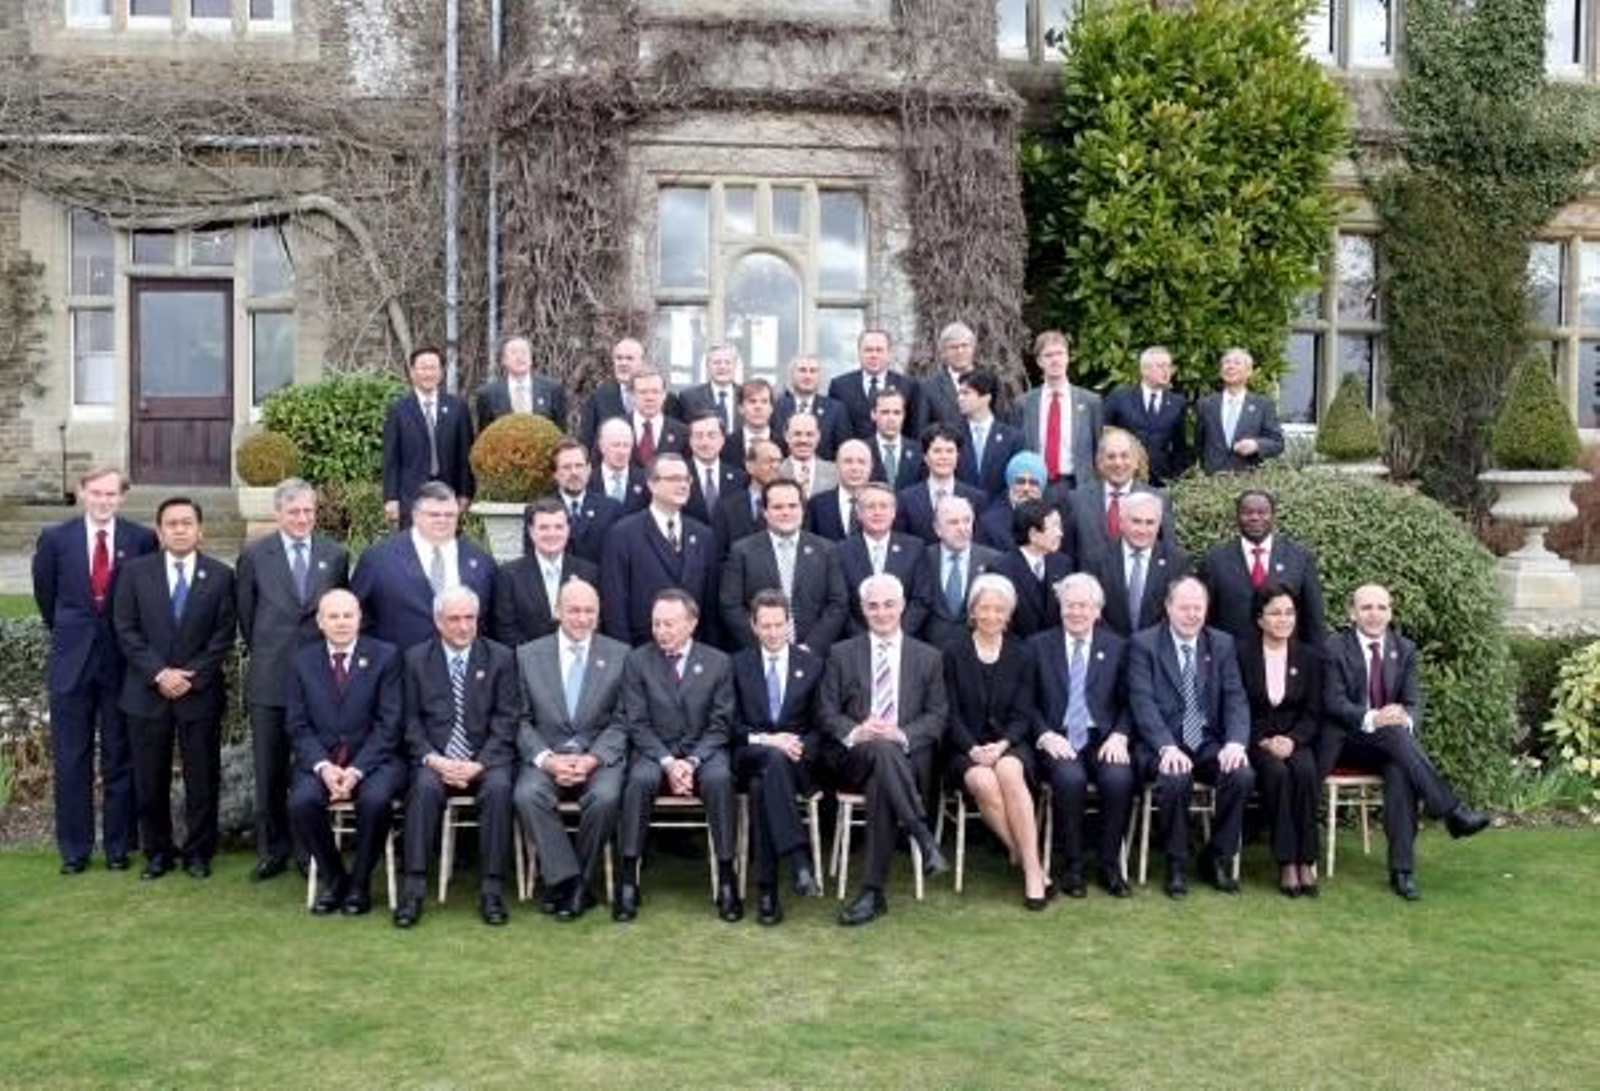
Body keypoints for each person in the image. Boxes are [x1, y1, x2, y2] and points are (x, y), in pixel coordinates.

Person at [1322, 584, 1490, 901]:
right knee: (1395, 736)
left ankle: (1402, 870)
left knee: (1400, 769)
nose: (1374, 614)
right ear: (1352, 613)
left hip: (1392, 743)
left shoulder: (1405, 648)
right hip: (1347, 740)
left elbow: (1413, 702)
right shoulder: (1333, 648)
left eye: (1381, 607)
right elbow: (1333, 703)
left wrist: (1404, 717)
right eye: (1366, 607)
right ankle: (1451, 811)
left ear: (1391, 612)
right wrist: (1374, 717)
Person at [33, 466, 158, 874]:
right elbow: (46, 597)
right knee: (72, 759)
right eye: (96, 493)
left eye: (111, 494)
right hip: (72, 663)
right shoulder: (55, 539)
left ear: (122, 497)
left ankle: (118, 848)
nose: (104, 500)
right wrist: (72, 635)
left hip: (121, 664)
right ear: (81, 493)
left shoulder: (140, 539)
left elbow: (142, 600)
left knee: (119, 757)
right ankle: (75, 850)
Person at [112, 496, 237, 880]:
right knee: (150, 779)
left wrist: (189, 676)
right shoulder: (135, 573)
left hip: (198, 694)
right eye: (172, 523)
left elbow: (223, 636)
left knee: (203, 778)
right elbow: (126, 628)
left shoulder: (219, 575)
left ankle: (198, 852)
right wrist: (160, 674)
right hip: (146, 693)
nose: (180, 529)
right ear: (159, 530)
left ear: (201, 530)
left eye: (187, 523)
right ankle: (157, 853)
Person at [235, 478, 350, 882]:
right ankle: (273, 850)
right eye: (294, 512)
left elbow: (339, 612)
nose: (303, 519)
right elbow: (247, 617)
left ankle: (309, 850)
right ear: (278, 513)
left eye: (309, 511)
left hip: (319, 681)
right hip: (270, 677)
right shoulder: (254, 555)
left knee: (311, 768)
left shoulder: (335, 555)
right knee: (269, 771)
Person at [819, 573, 950, 926]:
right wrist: (857, 730)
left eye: (889, 604)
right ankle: (922, 836)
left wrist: (902, 734)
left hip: (905, 759)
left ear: (902, 605)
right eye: (873, 606)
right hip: (854, 757)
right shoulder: (841, 653)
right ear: (862, 609)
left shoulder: (929, 657)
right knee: (877, 748)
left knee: (883, 771)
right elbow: (826, 712)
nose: (881, 612)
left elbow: (937, 717)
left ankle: (872, 893)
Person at [393, 587, 522, 929]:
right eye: (454, 619)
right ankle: (414, 890)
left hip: (485, 760)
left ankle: (491, 890)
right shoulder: (415, 659)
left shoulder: (500, 658)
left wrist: (480, 762)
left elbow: (507, 719)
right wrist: (434, 759)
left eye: (470, 618)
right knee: (422, 790)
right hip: (435, 760)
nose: (463, 626)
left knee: (498, 790)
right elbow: (408, 720)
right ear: (438, 621)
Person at [614, 590, 742, 923]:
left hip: (705, 752)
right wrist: (669, 762)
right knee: (638, 781)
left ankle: (727, 879)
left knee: (720, 780)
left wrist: (692, 761)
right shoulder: (637, 660)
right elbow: (636, 723)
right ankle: (628, 879)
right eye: (656, 624)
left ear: (691, 624)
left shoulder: (718, 662)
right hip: (655, 750)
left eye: (669, 624)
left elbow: (721, 724)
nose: (661, 631)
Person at [1127, 577, 1255, 898]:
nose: (1192, 615)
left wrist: (1236, 743)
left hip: (1206, 742)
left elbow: (1235, 696)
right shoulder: (1144, 644)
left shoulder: (1221, 643)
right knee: (1175, 777)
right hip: (1161, 744)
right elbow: (1141, 702)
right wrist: (1166, 747)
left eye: (1198, 608)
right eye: (1184, 607)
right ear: (1169, 607)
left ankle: (1215, 857)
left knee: (1240, 774)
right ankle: (1176, 862)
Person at [512, 578, 629, 921]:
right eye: (574, 610)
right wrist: (547, 760)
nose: (581, 618)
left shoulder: (621, 655)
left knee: (606, 798)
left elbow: (625, 719)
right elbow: (517, 719)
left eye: (589, 611)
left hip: (598, 757)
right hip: (546, 756)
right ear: (557, 611)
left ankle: (575, 885)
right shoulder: (527, 655)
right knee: (527, 795)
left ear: (599, 613)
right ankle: (569, 880)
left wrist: (593, 758)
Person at [285, 589, 406, 916]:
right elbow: (297, 724)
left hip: (375, 761)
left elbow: (389, 724)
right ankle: (335, 877)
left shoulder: (386, 656)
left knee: (376, 800)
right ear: (320, 622)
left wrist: (355, 771)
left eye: (348, 615)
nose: (341, 623)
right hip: (321, 761)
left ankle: (360, 883)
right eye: (334, 616)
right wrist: (324, 767)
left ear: (360, 619)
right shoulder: (302, 660)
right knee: (302, 802)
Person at [942, 573, 1048, 909]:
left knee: (1009, 771)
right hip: (964, 746)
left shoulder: (1022, 653)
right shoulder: (952, 652)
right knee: (984, 780)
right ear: (972, 612)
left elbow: (1023, 713)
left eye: (998, 609)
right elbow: (949, 712)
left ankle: (1031, 870)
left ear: (1008, 614)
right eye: (984, 608)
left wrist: (1002, 745)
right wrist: (972, 748)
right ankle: (1021, 852)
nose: (991, 615)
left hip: (1009, 743)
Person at [1030, 573, 1137, 898]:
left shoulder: (1117, 647)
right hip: (1058, 736)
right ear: (1060, 608)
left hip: (1101, 737)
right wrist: (1045, 734)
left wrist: (1120, 735)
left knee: (1119, 780)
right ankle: (1072, 866)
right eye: (1069, 605)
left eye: (1083, 606)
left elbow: (1131, 701)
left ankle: (1109, 866)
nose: (1076, 612)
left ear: (1097, 611)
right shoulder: (1037, 645)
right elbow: (1025, 703)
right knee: (1069, 780)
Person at [730, 590, 831, 925]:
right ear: (753, 626)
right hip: (750, 755)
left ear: (789, 624)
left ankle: (767, 890)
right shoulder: (737, 665)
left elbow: (821, 725)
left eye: (779, 625)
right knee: (769, 762)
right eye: (766, 626)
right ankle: (799, 859)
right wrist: (769, 740)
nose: (773, 633)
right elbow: (731, 726)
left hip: (796, 762)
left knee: (765, 784)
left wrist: (798, 747)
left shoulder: (812, 665)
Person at [1238, 583, 1325, 898]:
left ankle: (1307, 860)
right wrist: (1262, 741)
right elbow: (1236, 707)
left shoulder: (1310, 657)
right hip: (1256, 740)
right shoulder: (1241, 654)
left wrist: (1292, 740)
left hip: (1295, 740)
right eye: (1275, 613)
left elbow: (1314, 712)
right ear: (1260, 618)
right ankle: (1287, 862)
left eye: (1289, 612)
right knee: (1276, 775)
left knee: (1304, 772)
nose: (1283, 619)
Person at [351, 481, 497, 653]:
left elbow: (493, 622)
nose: (442, 520)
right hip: (398, 670)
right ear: (415, 515)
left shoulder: (481, 562)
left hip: (463, 671)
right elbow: (355, 617)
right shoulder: (378, 560)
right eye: (434, 515)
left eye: (449, 515)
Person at [720, 478, 848, 658]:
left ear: (803, 510)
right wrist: (766, 643)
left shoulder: (826, 550)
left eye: (792, 506)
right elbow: (730, 605)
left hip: (813, 657)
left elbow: (838, 603)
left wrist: (812, 646)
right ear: (764, 511)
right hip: (760, 655)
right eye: (777, 507)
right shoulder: (742, 551)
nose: (786, 512)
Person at [599, 453, 718, 646]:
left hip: (694, 653)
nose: (683, 485)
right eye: (673, 479)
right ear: (652, 484)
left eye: (686, 479)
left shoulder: (704, 535)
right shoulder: (622, 534)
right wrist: (623, 655)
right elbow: (615, 604)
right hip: (642, 651)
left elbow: (711, 606)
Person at [1202, 489, 1327, 646]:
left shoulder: (1299, 557)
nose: (1255, 518)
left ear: (1273, 517)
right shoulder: (1215, 560)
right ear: (1237, 518)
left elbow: (1313, 618)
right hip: (1233, 660)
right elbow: (1207, 617)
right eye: (1247, 513)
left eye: (1262, 512)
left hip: (1286, 657)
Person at [381, 346, 474, 527]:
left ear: (441, 372)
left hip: (449, 494)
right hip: (411, 496)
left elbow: (465, 456)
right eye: (423, 368)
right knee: (412, 550)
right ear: (413, 372)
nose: (428, 373)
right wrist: (391, 498)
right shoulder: (399, 409)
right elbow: (391, 458)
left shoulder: (458, 407)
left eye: (433, 368)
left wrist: (465, 493)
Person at [491, 498, 599, 648]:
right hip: (527, 665)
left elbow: (597, 624)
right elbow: (506, 629)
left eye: (558, 527)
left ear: (568, 529)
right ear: (531, 531)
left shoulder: (589, 573)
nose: (552, 534)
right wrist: (535, 662)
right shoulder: (508, 575)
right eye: (544, 527)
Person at [1062, 426, 1175, 568]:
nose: (1118, 463)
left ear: (1135, 462)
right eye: (1111, 456)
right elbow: (1067, 557)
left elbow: (1169, 553)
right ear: (1100, 462)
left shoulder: (1158, 499)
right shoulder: (1076, 500)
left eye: (1124, 456)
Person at [1085, 491, 1192, 638]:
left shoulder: (1177, 562)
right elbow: (1091, 610)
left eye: (1150, 523)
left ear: (1159, 525)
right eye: (1136, 521)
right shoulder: (1096, 560)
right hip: (1110, 649)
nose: (1143, 530)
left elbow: (1178, 611)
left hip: (1157, 651)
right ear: (1121, 522)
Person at [833, 482, 931, 637]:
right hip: (857, 642)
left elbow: (921, 600)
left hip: (904, 641)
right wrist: (865, 639)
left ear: (893, 512)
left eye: (883, 506)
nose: (877, 512)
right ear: (858, 513)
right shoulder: (840, 551)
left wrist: (897, 634)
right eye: (870, 507)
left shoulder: (915, 548)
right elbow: (840, 603)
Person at [1020, 330, 1103, 490]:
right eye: (1048, 355)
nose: (1055, 360)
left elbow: (1099, 449)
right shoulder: (1024, 403)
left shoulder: (1090, 401)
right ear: (1039, 361)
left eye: (1059, 353)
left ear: (1067, 357)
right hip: (1036, 485)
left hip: (1078, 486)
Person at [916, 495, 1002, 648]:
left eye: (967, 521)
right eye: (953, 522)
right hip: (930, 652)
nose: (962, 528)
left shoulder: (994, 561)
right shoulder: (922, 557)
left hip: (976, 653)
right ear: (937, 529)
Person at [1103, 345, 1189, 485]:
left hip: (1161, 482)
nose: (1166, 371)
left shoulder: (1177, 402)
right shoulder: (1120, 396)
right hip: (1123, 478)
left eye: (1169, 366)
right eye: (1161, 366)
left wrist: (1175, 477)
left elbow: (1180, 447)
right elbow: (1103, 435)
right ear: (1144, 370)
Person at [578, 337, 683, 449]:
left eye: (629, 358)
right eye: (619, 358)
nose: (623, 363)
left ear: (642, 362)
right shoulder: (599, 396)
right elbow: (587, 440)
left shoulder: (668, 400)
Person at [1193, 347, 1284, 474]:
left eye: (1237, 363)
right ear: (1221, 371)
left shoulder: (1263, 405)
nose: (1230, 366)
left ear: (1249, 372)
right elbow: (1198, 445)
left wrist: (1256, 445)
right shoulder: (1206, 404)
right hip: (1211, 482)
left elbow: (1278, 443)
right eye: (1227, 362)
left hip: (1247, 481)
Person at [990, 498, 1072, 639]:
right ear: (1033, 534)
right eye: (1054, 527)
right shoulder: (1000, 569)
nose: (1060, 533)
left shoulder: (1063, 564)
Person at [895, 423, 986, 544]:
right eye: (937, 451)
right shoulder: (905, 499)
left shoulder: (977, 498)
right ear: (925, 457)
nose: (944, 457)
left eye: (949, 451)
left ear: (958, 456)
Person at [828, 327, 922, 442]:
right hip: (854, 457)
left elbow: (914, 429)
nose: (874, 355)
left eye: (879, 350)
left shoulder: (908, 386)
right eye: (868, 350)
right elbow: (835, 430)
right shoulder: (840, 386)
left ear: (889, 353)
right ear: (859, 352)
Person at [549, 436, 623, 564]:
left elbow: (617, 560)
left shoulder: (611, 509)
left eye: (579, 466)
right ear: (555, 474)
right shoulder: (541, 510)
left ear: (588, 469)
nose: (574, 472)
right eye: (566, 467)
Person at [955, 368, 1024, 504]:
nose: (959, 399)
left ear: (986, 397)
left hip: (1000, 512)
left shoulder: (1013, 438)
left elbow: (1016, 481)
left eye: (966, 393)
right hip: (960, 514)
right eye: (959, 393)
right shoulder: (953, 434)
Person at [475, 333, 568, 430]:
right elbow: (485, 437)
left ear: (531, 359)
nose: (519, 357)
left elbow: (560, 434)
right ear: (504, 360)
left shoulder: (553, 390)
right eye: (513, 352)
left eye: (524, 352)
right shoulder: (488, 394)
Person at [712, 438, 783, 554]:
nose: (775, 466)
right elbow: (719, 555)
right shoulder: (726, 508)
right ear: (749, 465)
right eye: (769, 461)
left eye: (779, 461)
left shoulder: (793, 504)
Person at [774, 354, 850, 459]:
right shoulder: (776, 407)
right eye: (802, 370)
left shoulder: (836, 410)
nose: (807, 376)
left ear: (819, 377)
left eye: (813, 371)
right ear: (792, 375)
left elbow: (843, 449)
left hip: (823, 473)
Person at [683, 410, 746, 526]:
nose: (705, 442)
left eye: (712, 435)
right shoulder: (678, 475)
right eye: (698, 436)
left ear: (722, 440)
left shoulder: (740, 478)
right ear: (690, 441)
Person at [976, 450, 1046, 551]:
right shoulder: (989, 524)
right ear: (1010, 485)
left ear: (1041, 488)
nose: (1026, 488)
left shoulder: (1052, 522)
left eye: (1033, 483)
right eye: (1020, 482)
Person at [807, 438, 874, 542]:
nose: (855, 468)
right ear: (837, 465)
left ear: (871, 467)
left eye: (861, 462)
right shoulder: (816, 505)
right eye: (848, 461)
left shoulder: (883, 505)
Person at [676, 343, 743, 438]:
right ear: (707, 366)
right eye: (717, 362)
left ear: (735, 366)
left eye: (727, 362)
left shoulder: (746, 395)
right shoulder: (688, 397)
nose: (722, 367)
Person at [921, 321, 979, 429]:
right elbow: (921, 432)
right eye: (953, 347)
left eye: (965, 345)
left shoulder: (991, 383)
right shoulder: (928, 388)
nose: (960, 351)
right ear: (943, 353)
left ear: (973, 349)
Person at [627, 367, 687, 468]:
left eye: (655, 392)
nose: (650, 398)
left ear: (664, 395)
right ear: (632, 395)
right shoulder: (614, 428)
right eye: (643, 392)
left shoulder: (682, 432)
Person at [868, 388, 924, 491]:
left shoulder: (919, 451)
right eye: (885, 412)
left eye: (897, 413)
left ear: (904, 415)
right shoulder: (862, 450)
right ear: (873, 414)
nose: (891, 419)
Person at [590, 417, 650, 513]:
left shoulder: (645, 480)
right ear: (601, 446)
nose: (622, 451)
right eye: (616, 445)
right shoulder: (588, 480)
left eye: (626, 445)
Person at [780, 411, 837, 501]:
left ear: (818, 437)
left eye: (809, 434)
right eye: (797, 434)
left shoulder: (835, 472)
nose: (803, 440)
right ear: (787, 436)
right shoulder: (776, 471)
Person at [732, 377, 782, 456]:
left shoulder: (784, 445)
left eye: (764, 401)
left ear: (771, 408)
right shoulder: (726, 445)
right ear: (741, 408)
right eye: (752, 401)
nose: (758, 407)